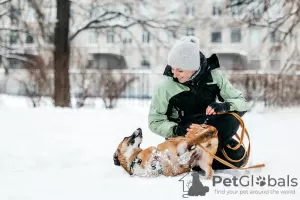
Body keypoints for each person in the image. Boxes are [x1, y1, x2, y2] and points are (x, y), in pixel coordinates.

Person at [148, 36, 249, 170]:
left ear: (194, 68)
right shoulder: (165, 86)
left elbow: (242, 102)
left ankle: (197, 159)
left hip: (208, 130)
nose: (174, 74)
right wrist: (178, 129)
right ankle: (188, 157)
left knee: (239, 154)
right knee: (225, 151)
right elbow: (155, 121)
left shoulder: (214, 77)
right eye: (172, 69)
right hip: (184, 137)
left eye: (180, 70)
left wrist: (224, 106)